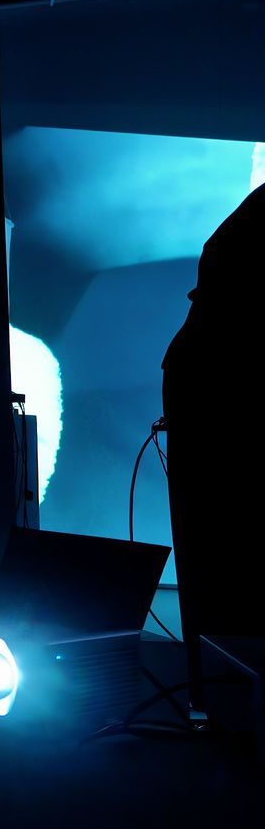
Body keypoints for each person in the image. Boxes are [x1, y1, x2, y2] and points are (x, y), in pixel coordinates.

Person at [163, 185, 264, 704]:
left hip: (204, 389)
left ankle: (220, 698)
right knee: (224, 557)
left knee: (215, 558)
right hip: (215, 397)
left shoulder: (249, 220)